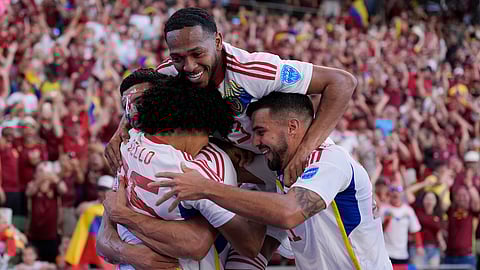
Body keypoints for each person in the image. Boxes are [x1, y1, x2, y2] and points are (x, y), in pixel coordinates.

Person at [104, 6, 357, 263]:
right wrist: (120, 130)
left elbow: (342, 82)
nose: (188, 66)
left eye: (197, 53)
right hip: (249, 169)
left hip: (287, 163)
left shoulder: (255, 71)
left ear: (217, 41)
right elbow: (141, 95)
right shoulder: (170, 72)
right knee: (253, 252)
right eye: (178, 57)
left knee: (322, 250)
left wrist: (304, 150)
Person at [151, 92, 392, 270]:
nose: (255, 142)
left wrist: (205, 188)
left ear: (292, 127)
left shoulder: (330, 161)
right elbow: (231, 165)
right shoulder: (278, 169)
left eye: (261, 131)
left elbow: (288, 212)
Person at [97, 69, 267, 270]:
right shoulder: (128, 144)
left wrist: (125, 217)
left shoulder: (206, 164)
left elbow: (196, 244)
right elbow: (104, 239)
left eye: (144, 103)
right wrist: (128, 253)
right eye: (128, 106)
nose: (135, 113)